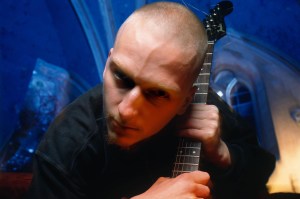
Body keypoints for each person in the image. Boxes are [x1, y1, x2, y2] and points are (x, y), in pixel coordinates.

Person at [26, 2, 275, 199]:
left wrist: (223, 153)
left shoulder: (201, 104)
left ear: (186, 100)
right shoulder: (65, 146)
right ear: (107, 64)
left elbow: (261, 170)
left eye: (157, 93)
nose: (126, 111)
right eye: (122, 76)